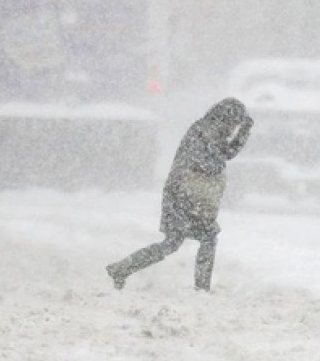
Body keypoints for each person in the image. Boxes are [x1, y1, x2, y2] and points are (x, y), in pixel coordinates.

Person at [107, 98, 254, 292]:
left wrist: (243, 133)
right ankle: (200, 288)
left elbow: (226, 153)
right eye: (234, 124)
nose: (233, 128)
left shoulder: (209, 130)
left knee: (190, 240)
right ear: (226, 119)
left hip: (192, 197)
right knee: (181, 241)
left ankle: (123, 268)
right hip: (183, 197)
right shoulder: (204, 132)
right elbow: (213, 159)